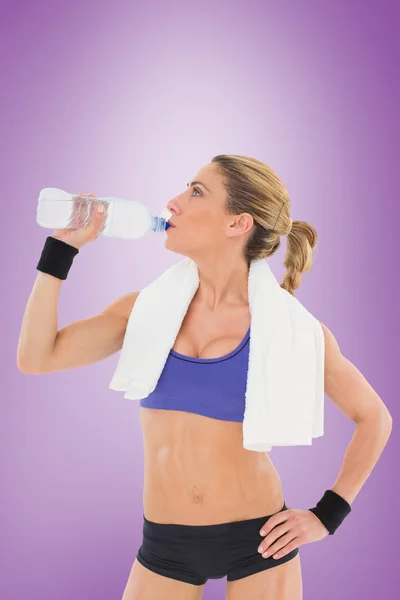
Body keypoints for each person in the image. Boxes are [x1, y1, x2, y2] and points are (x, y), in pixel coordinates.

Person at [17, 155, 392, 600]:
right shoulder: (145, 310)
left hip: (259, 541)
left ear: (237, 223)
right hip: (165, 544)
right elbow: (38, 357)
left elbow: (374, 418)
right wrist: (63, 249)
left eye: (196, 191)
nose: (173, 202)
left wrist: (327, 515)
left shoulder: (292, 330)